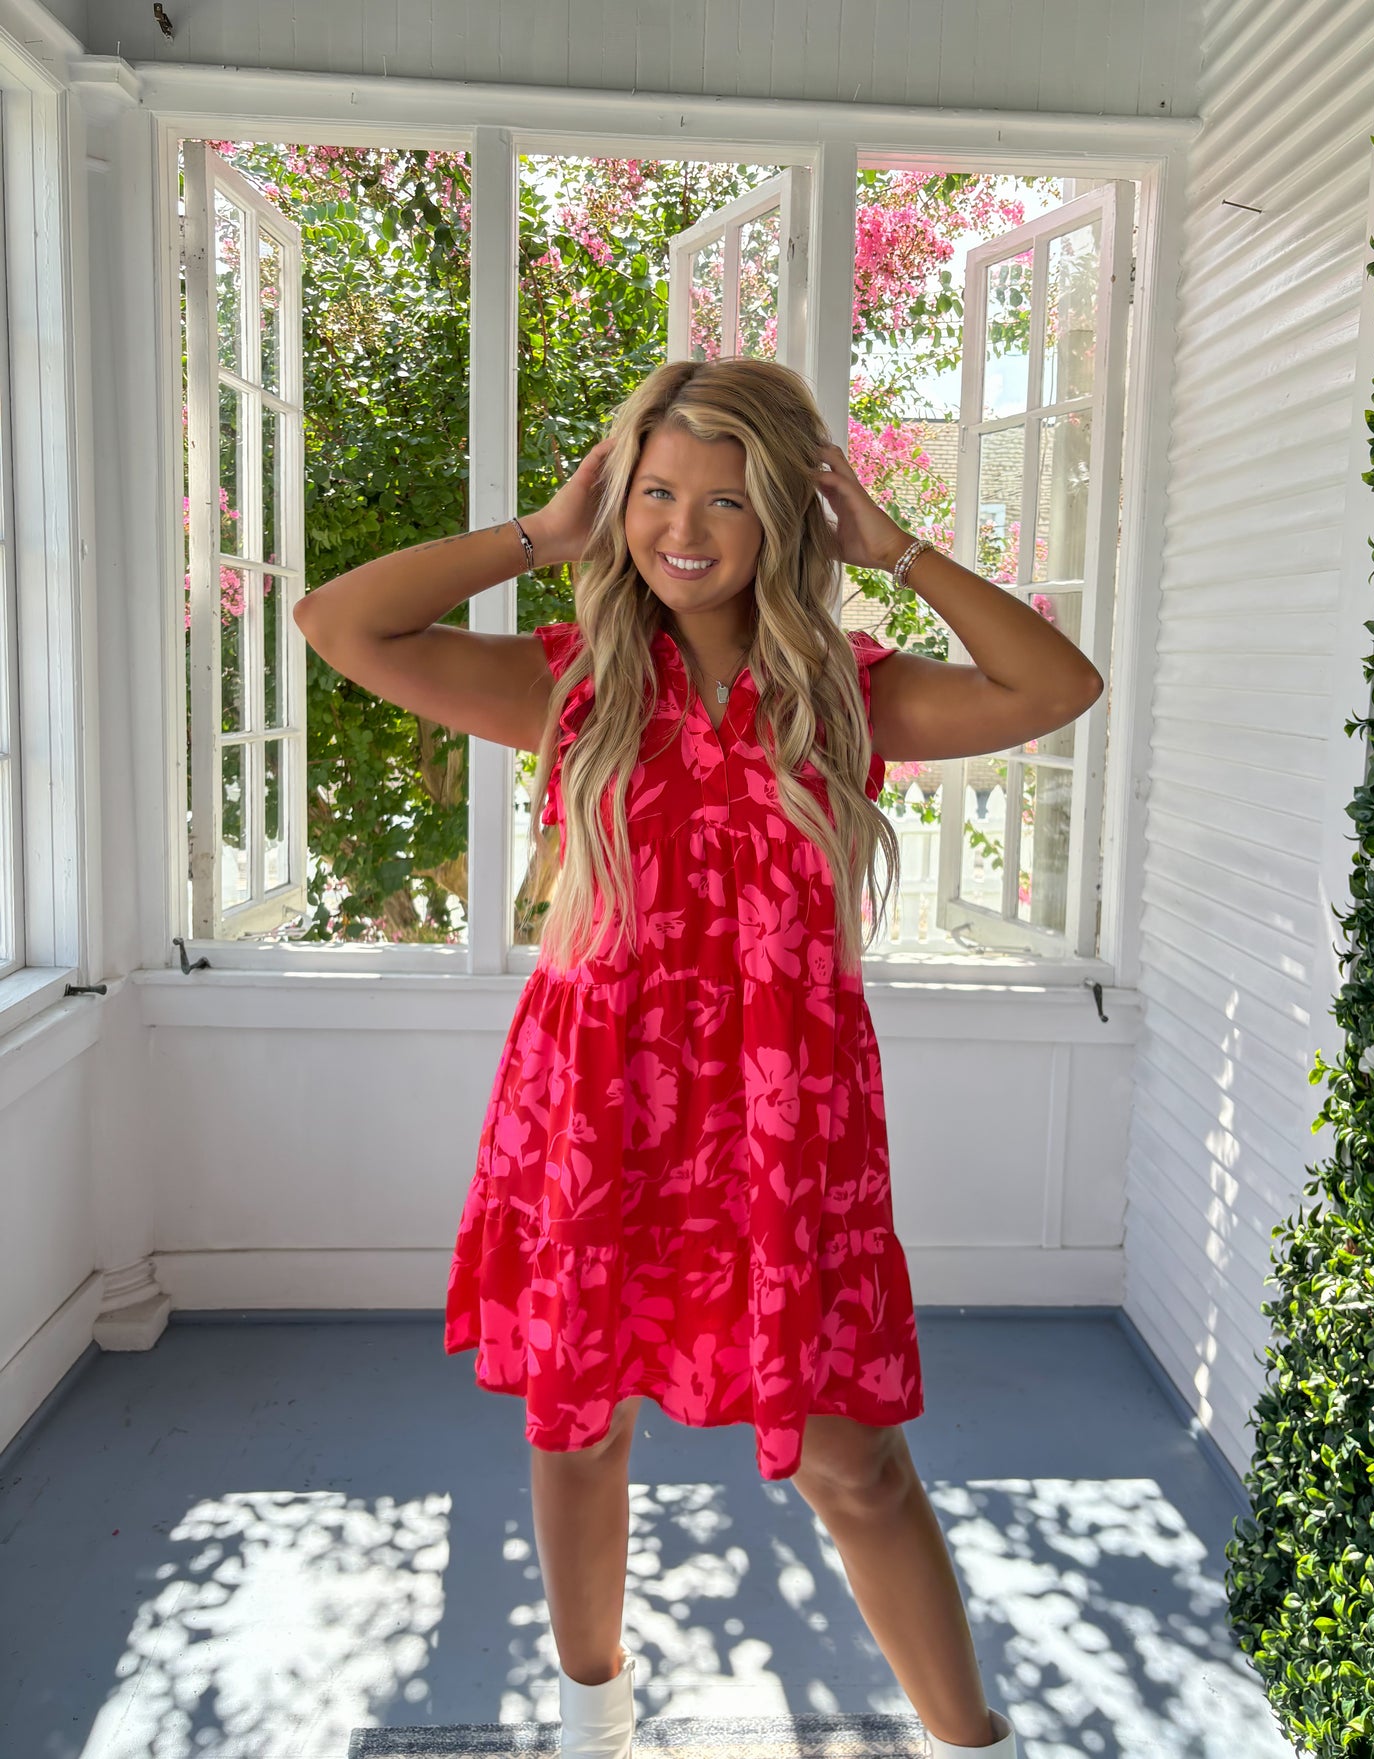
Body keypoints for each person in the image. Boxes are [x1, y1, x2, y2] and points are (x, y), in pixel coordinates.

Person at [294, 357, 1103, 1759]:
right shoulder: (570, 686)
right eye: (655, 491)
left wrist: (897, 544)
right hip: (594, 1105)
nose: (683, 527)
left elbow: (1053, 685)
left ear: (790, 513)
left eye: (725, 499)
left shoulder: (851, 698)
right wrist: (542, 533)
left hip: (789, 1120)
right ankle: (592, 1718)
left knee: (853, 1462)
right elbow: (338, 620)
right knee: (578, 1424)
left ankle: (974, 1746)